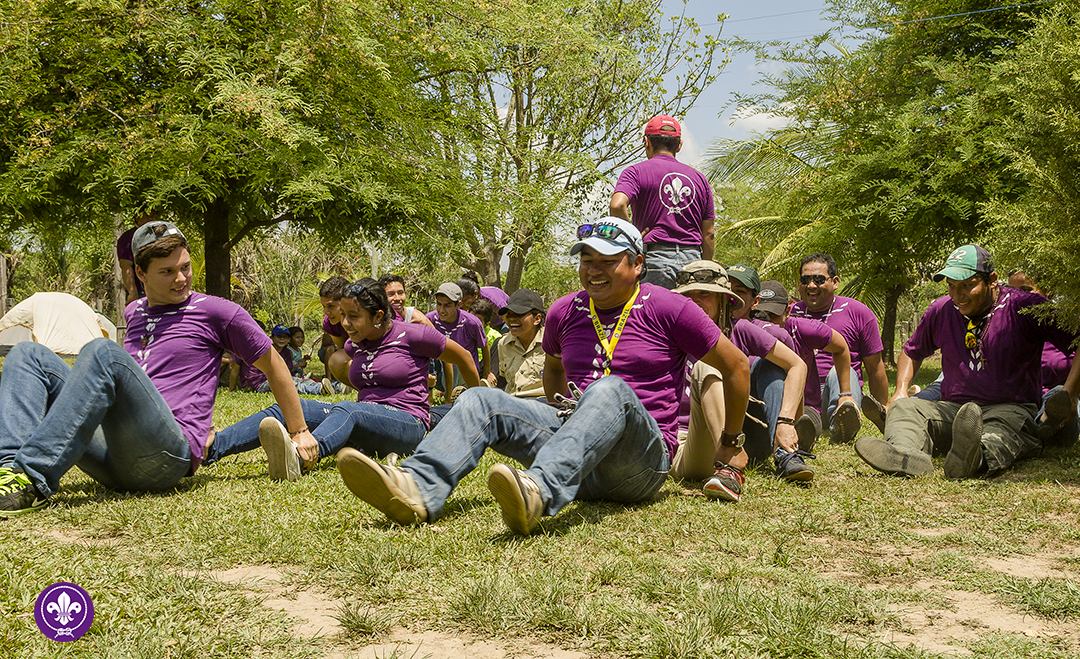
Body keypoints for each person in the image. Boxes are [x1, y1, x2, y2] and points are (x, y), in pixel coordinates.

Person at [334, 217, 749, 535]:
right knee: (478, 398)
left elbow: (736, 366)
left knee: (609, 389)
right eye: (587, 260)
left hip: (638, 465)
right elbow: (553, 367)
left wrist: (731, 444)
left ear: (638, 263)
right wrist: (562, 415)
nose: (594, 270)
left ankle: (537, 492)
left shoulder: (670, 308)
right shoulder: (564, 310)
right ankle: (416, 488)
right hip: (576, 457)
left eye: (607, 260)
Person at [0, 221, 316, 516]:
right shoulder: (133, 311)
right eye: (167, 271)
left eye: (185, 267)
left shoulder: (218, 312)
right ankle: (9, 473)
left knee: (104, 352)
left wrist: (299, 431)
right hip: (115, 455)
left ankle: (33, 476)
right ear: (141, 272)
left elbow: (274, 365)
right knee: (28, 353)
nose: (180, 279)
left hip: (165, 457)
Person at [204, 279, 480, 480]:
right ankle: (212, 448)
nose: (345, 324)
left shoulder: (415, 334)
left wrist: (479, 402)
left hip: (407, 422)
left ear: (378, 316)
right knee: (288, 408)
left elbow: (465, 358)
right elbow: (345, 359)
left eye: (353, 317)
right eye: (343, 315)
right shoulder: (354, 344)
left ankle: (302, 457)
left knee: (348, 409)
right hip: (366, 416)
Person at [854, 245, 1080, 479]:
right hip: (954, 411)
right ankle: (905, 455)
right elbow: (912, 351)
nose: (957, 295)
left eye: (966, 285)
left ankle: (975, 457)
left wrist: (1070, 393)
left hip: (1010, 409)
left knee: (999, 434)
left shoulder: (1024, 306)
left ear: (992, 280)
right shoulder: (941, 309)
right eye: (951, 286)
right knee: (905, 407)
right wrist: (900, 390)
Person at [672, 261, 811, 500]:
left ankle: (770, 454)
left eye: (705, 294)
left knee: (767, 364)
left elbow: (798, 364)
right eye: (687, 296)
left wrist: (786, 421)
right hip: (681, 441)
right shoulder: (667, 332)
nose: (695, 302)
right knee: (711, 364)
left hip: (739, 434)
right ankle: (729, 461)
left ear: (723, 300)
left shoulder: (741, 329)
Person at [609, 115, 715, 289]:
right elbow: (709, 233)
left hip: (654, 260)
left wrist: (633, 240)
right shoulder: (699, 179)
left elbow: (617, 205)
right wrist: (704, 268)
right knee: (686, 316)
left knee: (653, 315)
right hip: (693, 262)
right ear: (679, 145)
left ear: (646, 142)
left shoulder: (635, 172)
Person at [791, 253, 883, 443]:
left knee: (842, 370)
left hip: (841, 390)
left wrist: (882, 410)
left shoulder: (858, 312)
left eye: (818, 279)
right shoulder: (789, 313)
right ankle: (805, 427)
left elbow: (875, 368)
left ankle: (841, 422)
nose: (811, 285)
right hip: (803, 393)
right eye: (805, 280)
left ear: (835, 282)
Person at [755, 280, 858, 449]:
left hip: (805, 407)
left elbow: (841, 347)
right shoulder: (744, 331)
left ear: (788, 311)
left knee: (807, 422)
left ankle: (807, 436)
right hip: (762, 404)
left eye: (773, 316)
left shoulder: (804, 329)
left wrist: (845, 393)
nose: (767, 323)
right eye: (760, 315)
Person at [427, 282, 489, 392]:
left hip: (464, 374)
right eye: (439, 304)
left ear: (458, 305)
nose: (441, 310)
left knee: (455, 358)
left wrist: (486, 375)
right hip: (440, 374)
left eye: (447, 305)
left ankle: (451, 398)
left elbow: (484, 346)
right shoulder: (430, 319)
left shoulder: (472, 323)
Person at [496, 288, 547, 398]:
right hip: (511, 404)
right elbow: (503, 378)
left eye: (519, 314)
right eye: (509, 314)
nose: (512, 319)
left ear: (537, 319)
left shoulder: (552, 343)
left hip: (543, 404)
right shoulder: (503, 344)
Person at [116, 213, 154, 306]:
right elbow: (126, 267)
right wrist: (132, 292)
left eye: (153, 215)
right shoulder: (128, 238)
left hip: (161, 290)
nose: (150, 218)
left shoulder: (160, 234)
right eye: (146, 215)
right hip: (141, 293)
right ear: (137, 217)